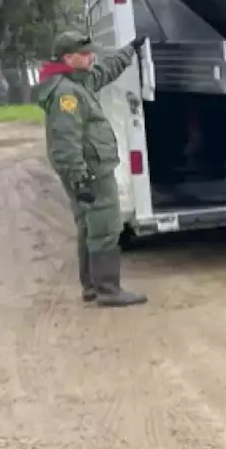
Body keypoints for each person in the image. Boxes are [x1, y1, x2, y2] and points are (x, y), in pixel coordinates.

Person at [35, 31, 149, 307]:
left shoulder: (78, 81)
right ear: (68, 58)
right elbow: (65, 143)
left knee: (89, 227)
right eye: (85, 54)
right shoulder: (66, 94)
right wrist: (80, 178)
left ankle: (92, 287)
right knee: (105, 226)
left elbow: (105, 71)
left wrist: (129, 50)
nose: (91, 57)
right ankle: (109, 290)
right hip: (91, 171)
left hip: (89, 170)